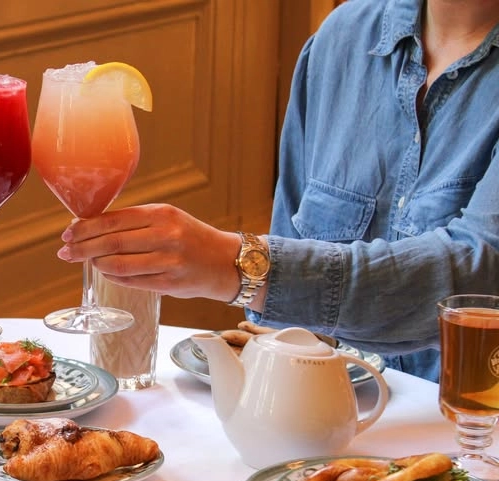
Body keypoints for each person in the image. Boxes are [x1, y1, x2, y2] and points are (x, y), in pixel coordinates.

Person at [56, 0, 499, 382]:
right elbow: (290, 269)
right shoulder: (341, 41)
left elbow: (478, 273)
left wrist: (240, 267)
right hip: (324, 421)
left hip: (475, 438)